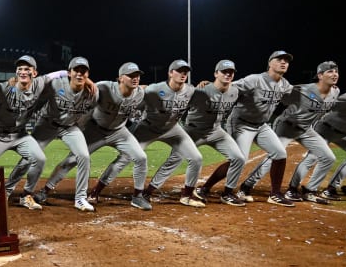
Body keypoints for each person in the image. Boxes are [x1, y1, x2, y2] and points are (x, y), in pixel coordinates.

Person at [42, 62, 151, 211]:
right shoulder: (105, 88)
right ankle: (44, 191)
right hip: (95, 130)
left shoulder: (139, 93)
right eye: (131, 75)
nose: (135, 78)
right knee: (72, 159)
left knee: (141, 157)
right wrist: (87, 80)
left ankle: (137, 197)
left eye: (137, 75)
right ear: (120, 78)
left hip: (119, 131)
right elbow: (83, 83)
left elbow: (148, 90)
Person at [100, 59, 205, 208]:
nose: (183, 74)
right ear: (170, 73)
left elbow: (208, 93)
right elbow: (132, 100)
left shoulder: (190, 90)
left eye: (185, 72)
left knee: (196, 158)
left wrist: (205, 85)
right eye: (179, 71)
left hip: (173, 129)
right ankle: (96, 190)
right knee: (126, 157)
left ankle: (183, 195)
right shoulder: (153, 90)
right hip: (148, 128)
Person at [5, 57, 98, 212]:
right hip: (47, 124)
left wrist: (80, 127)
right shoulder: (55, 84)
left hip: (69, 127)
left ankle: (80, 198)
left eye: (84, 71)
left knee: (84, 156)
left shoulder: (93, 93)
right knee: (30, 157)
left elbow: (89, 112)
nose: (80, 74)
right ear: (69, 73)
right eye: (76, 71)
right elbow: (35, 96)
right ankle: (6, 190)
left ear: (88, 74)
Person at [241, 60, 340, 204]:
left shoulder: (335, 92)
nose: (334, 74)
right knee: (276, 156)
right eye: (330, 71)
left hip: (306, 129)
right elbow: (277, 93)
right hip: (286, 126)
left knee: (328, 157)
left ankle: (303, 190)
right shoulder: (302, 90)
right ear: (320, 75)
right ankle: (246, 186)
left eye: (336, 71)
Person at [207, 50, 296, 206]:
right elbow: (229, 87)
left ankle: (275, 194)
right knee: (239, 159)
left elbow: (296, 96)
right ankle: (214, 190)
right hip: (241, 124)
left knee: (280, 153)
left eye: (286, 61)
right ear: (270, 63)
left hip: (261, 126)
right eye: (279, 59)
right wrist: (209, 87)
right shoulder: (255, 79)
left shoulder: (284, 84)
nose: (283, 63)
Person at [0, 55, 57, 210]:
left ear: (34, 73)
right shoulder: (5, 87)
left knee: (39, 158)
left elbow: (60, 74)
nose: (23, 72)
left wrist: (88, 81)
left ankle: (25, 195)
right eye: (20, 69)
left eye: (26, 69)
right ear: (16, 73)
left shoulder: (39, 84)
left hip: (20, 134)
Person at [161, 60, 247, 206]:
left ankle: (227, 194)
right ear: (216, 74)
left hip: (216, 131)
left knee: (239, 158)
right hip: (193, 131)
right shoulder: (200, 91)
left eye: (231, 72)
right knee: (173, 161)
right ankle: (147, 191)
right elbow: (178, 98)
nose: (228, 74)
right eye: (224, 71)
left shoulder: (235, 91)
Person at [303, 90, 346, 199]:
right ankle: (297, 188)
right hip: (326, 128)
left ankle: (331, 189)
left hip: (344, 133)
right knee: (314, 157)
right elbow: (329, 105)